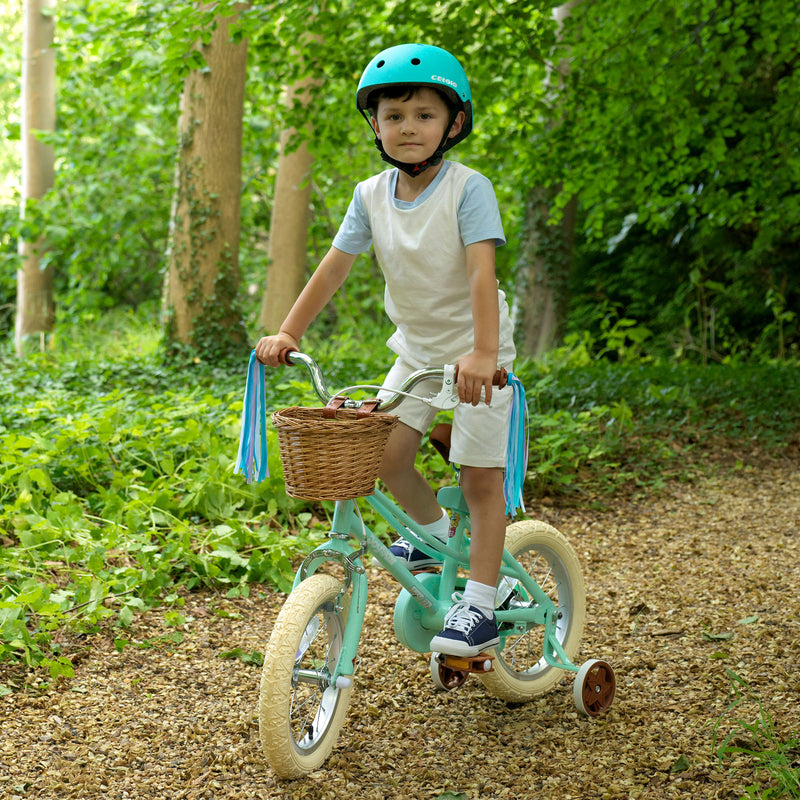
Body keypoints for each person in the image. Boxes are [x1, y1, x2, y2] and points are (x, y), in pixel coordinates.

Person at [255, 43, 517, 659]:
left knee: (481, 479)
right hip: (418, 349)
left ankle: (484, 598)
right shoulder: (370, 194)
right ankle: (432, 538)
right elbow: (332, 269)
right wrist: (289, 331)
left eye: (424, 115)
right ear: (375, 124)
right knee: (390, 456)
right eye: (394, 115)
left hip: (478, 353)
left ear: (452, 124)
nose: (408, 127)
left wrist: (482, 352)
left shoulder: (467, 188)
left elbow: (482, 274)